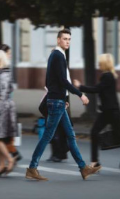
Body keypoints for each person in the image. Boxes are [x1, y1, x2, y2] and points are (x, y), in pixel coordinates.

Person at [26, 29, 101, 181]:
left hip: (58, 101)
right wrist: (80, 94)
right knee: (48, 136)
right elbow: (63, 81)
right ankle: (32, 168)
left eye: (69, 39)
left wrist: (63, 97)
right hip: (56, 102)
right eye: (65, 39)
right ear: (58, 40)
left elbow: (49, 81)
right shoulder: (58, 56)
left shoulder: (56, 55)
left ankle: (83, 168)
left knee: (71, 135)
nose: (67, 41)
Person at [73, 53, 120, 167]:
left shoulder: (107, 76)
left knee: (119, 136)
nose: (98, 63)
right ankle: (95, 162)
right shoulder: (108, 75)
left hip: (111, 112)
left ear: (104, 63)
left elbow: (96, 89)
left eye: (100, 61)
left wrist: (80, 87)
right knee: (97, 133)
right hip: (108, 111)